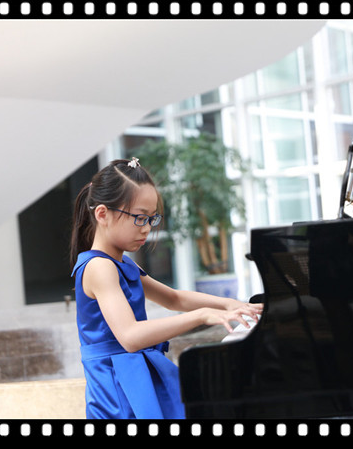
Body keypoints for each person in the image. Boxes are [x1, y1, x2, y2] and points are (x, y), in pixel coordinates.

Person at [70, 157, 262, 419]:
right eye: (140, 218)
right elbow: (130, 336)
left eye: (152, 218)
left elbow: (174, 298)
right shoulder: (99, 267)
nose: (148, 228)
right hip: (118, 388)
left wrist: (231, 304)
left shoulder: (120, 263)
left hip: (134, 376)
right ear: (103, 214)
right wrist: (202, 315)